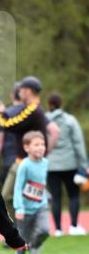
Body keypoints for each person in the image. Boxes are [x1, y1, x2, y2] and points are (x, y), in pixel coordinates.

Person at [0, 76, 59, 215]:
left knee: (10, 197)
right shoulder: (31, 109)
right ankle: (20, 231)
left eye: (20, 89)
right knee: (12, 197)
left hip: (26, 163)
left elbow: (8, 125)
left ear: (28, 91)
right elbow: (54, 130)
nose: (18, 92)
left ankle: (26, 225)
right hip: (22, 161)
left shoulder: (32, 110)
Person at [46, 92, 88, 236]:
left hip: (51, 166)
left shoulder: (44, 121)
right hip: (70, 165)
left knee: (56, 197)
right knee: (73, 195)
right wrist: (84, 164)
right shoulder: (70, 120)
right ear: (61, 104)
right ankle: (74, 226)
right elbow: (78, 143)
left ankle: (57, 229)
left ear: (49, 105)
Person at [11, 131, 50, 254]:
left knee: (45, 230)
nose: (41, 147)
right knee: (22, 237)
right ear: (27, 148)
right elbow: (18, 188)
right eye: (36, 145)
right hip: (25, 209)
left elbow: (42, 182)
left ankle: (34, 247)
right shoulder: (24, 165)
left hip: (41, 205)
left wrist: (46, 194)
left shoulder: (46, 163)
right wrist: (19, 208)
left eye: (43, 144)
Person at [0, 81, 23, 214]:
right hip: (31, 161)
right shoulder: (34, 112)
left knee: (9, 196)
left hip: (11, 161)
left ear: (11, 95)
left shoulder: (6, 114)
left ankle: (16, 229)